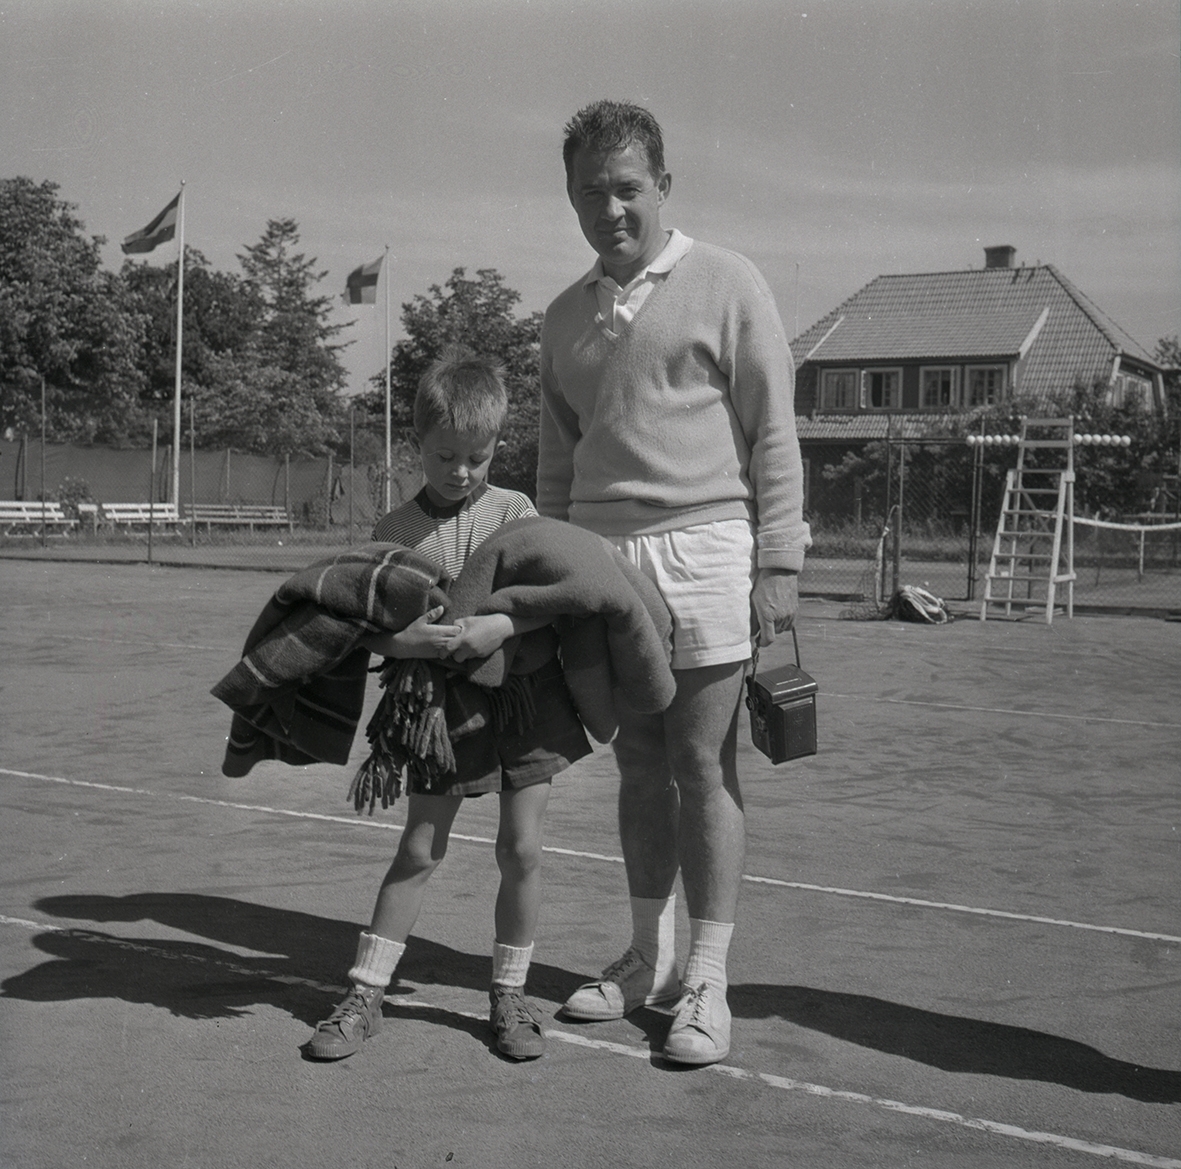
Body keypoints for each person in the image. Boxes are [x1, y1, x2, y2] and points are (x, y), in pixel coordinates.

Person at [537, 100, 810, 1066]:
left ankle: (706, 976)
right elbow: (557, 467)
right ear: (570, 197)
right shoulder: (560, 317)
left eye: (626, 189)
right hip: (604, 564)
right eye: (589, 192)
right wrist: (556, 572)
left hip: (704, 551)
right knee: (637, 766)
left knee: (702, 764)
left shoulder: (728, 281)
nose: (608, 209)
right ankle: (646, 956)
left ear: (662, 185)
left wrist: (778, 562)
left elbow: (773, 432)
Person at [306, 344, 592, 1062]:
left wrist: (503, 627)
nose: (460, 471)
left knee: (521, 848)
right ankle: (366, 994)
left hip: (527, 699)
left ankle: (509, 995)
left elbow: (550, 600)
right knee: (419, 848)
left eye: (476, 456)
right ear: (417, 445)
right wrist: (408, 642)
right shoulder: (394, 531)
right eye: (443, 456)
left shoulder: (517, 510)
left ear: (496, 445)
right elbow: (369, 630)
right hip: (437, 711)